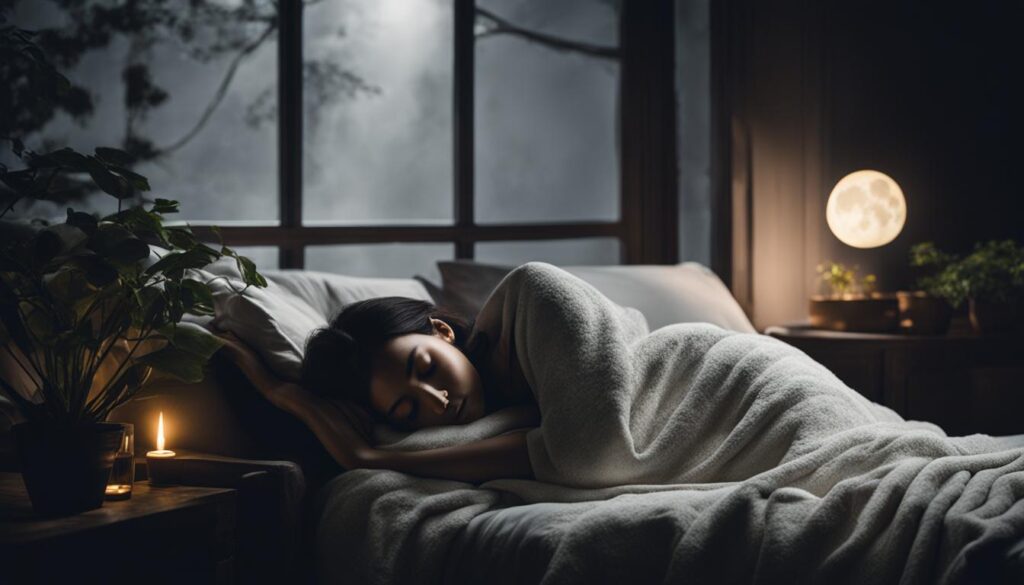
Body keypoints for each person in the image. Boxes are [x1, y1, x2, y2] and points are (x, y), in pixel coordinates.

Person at [216, 297, 539, 484]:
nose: (438, 401)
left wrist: (366, 457)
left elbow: (565, 452)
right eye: (408, 410)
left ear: (442, 331)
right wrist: (283, 394)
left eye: (427, 368)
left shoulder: (528, 314)